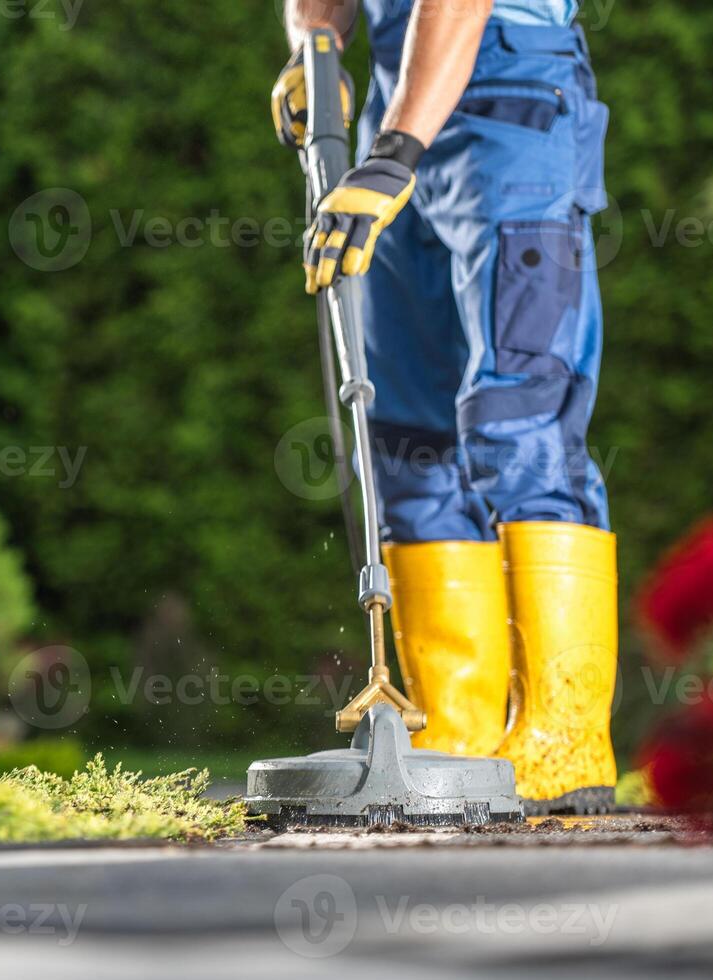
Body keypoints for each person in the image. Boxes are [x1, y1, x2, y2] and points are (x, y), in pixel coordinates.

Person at [273, 0, 617, 813]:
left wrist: (396, 151)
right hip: (405, 102)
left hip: (509, 91)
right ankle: (453, 735)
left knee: (518, 416)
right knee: (403, 436)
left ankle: (563, 742)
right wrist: (313, 47)